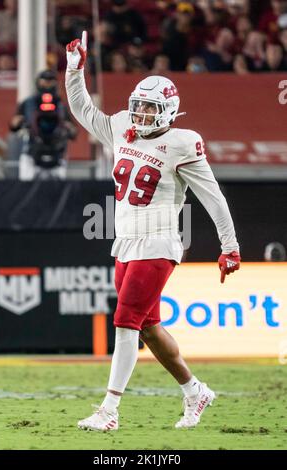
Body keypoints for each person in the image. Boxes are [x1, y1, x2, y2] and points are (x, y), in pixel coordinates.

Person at [66, 32, 241, 432]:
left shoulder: (183, 142)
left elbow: (212, 197)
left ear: (169, 111)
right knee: (147, 326)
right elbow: (84, 112)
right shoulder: (123, 125)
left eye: (150, 108)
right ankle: (196, 391)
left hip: (159, 240)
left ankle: (109, 411)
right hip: (125, 240)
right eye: (138, 106)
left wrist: (229, 245)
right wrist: (75, 70)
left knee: (125, 320)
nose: (141, 114)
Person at [10, 69, 77, 180]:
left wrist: (68, 128)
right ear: (38, 82)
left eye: (50, 81)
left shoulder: (61, 105)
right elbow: (13, 127)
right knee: (27, 190)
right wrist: (18, 122)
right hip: (32, 152)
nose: (47, 84)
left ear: (56, 83)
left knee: (59, 191)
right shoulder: (28, 104)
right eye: (45, 81)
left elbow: (73, 132)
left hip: (57, 152)